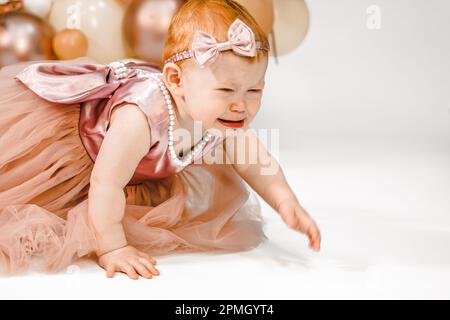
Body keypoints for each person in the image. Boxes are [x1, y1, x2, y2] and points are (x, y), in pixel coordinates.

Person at [0, 0, 321, 279]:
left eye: (254, 90)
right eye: (226, 90)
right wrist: (113, 247)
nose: (241, 105)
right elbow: (106, 183)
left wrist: (285, 201)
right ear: (175, 80)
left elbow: (256, 162)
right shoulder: (140, 115)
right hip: (78, 152)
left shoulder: (221, 116)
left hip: (134, 166)